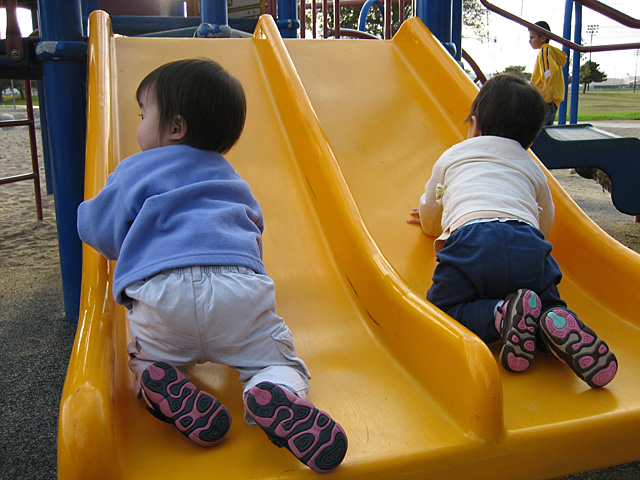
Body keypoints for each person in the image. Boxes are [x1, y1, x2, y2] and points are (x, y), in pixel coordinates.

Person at [77, 58, 347, 473]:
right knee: (275, 360)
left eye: (143, 113)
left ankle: (160, 382)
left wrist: (85, 216)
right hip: (237, 289)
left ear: (175, 127)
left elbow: (103, 232)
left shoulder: (134, 169)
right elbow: (253, 233)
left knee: (146, 360)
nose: (139, 125)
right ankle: (273, 390)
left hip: (160, 294)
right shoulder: (232, 178)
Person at [408, 73, 617, 389]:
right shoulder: (531, 165)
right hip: (528, 244)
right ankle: (552, 322)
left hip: (470, 243)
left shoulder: (452, 156)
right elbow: (545, 218)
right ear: (530, 141)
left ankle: (502, 315)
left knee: (445, 309)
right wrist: (533, 240)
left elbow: (432, 206)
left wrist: (428, 225)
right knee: (545, 299)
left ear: (474, 126)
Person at [529, 21, 567, 125]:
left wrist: (546, 96)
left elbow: (550, 73)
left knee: (540, 132)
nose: (530, 41)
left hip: (546, 100)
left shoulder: (544, 51)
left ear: (543, 38)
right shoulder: (550, 52)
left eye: (532, 37)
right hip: (549, 100)